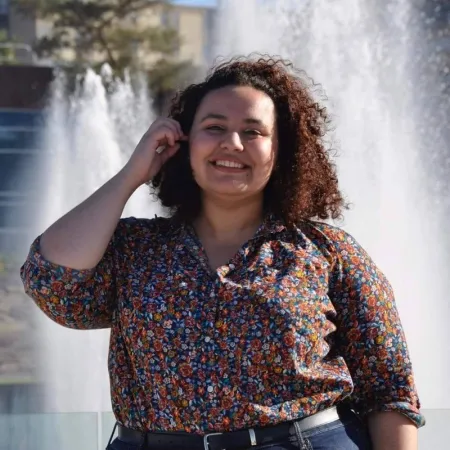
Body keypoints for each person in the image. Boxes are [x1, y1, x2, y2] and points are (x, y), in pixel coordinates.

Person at [20, 56, 425, 450]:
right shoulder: (134, 249)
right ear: (183, 141)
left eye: (253, 132)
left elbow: (390, 388)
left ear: (280, 151)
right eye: (214, 127)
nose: (232, 143)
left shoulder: (328, 252)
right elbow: (51, 280)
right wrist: (133, 174)